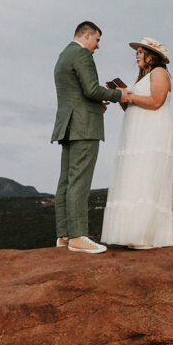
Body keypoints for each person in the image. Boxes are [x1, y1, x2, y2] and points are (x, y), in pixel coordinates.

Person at [51, 21, 129, 254]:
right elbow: (92, 89)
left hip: (68, 126)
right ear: (86, 35)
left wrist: (96, 105)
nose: (97, 46)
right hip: (84, 128)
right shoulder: (83, 55)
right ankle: (77, 236)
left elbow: (78, 94)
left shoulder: (64, 55)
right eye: (96, 40)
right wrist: (120, 94)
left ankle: (64, 235)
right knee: (79, 183)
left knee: (65, 181)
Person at [100, 37, 173, 249]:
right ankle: (132, 233)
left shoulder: (160, 73)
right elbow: (132, 107)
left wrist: (130, 96)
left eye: (140, 52)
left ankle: (147, 235)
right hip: (137, 132)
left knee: (147, 175)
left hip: (152, 131)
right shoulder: (143, 77)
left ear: (151, 56)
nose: (136, 55)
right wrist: (122, 97)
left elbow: (156, 101)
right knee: (134, 176)